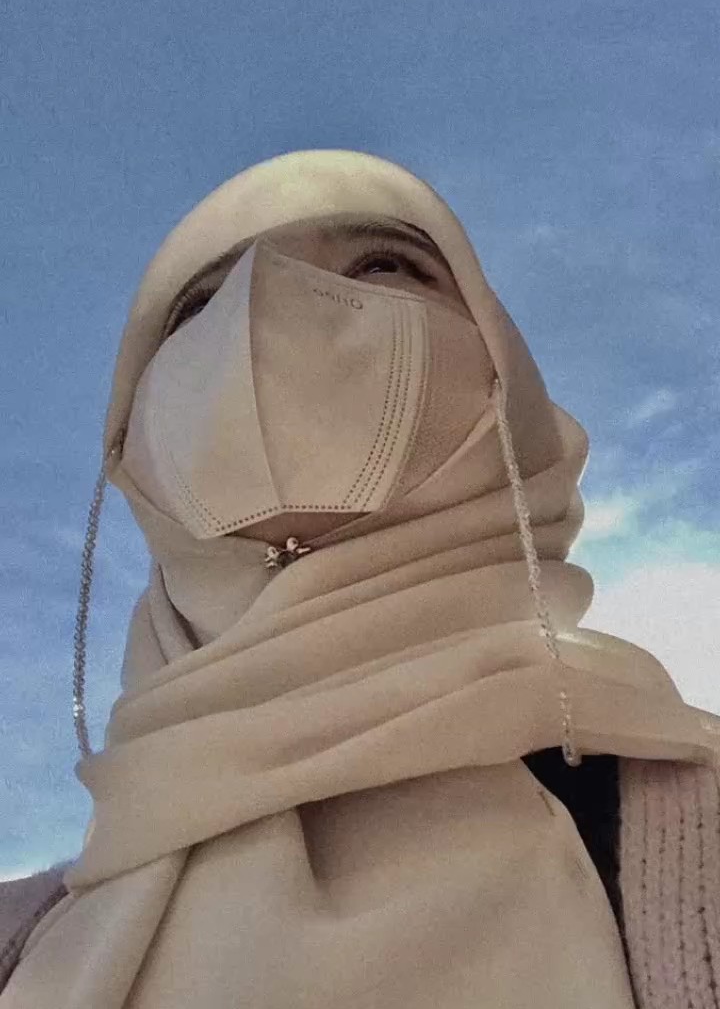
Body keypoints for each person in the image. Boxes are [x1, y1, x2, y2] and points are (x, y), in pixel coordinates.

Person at [2, 148, 719, 1008]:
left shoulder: (696, 838)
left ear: (504, 374)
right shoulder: (22, 937)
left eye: (383, 265)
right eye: (199, 307)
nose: (261, 308)